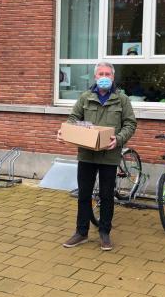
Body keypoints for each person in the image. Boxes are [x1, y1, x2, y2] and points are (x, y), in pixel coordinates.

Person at [57, 62, 137, 251]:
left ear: (112, 77)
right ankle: (81, 232)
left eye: (107, 74)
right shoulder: (85, 97)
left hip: (109, 155)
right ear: (95, 77)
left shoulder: (122, 99)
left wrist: (118, 140)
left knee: (106, 195)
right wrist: (64, 132)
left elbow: (130, 124)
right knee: (84, 194)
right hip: (86, 155)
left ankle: (104, 233)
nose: (104, 77)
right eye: (100, 73)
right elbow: (73, 119)